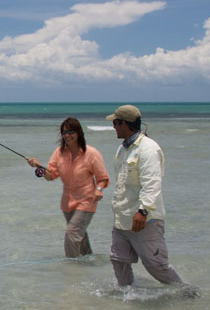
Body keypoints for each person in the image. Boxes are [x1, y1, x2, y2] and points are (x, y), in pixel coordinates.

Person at [105, 105, 184, 286]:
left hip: (144, 220)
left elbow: (152, 183)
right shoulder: (122, 149)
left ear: (124, 123)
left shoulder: (149, 148)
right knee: (119, 260)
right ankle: (127, 296)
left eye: (116, 123)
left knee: (156, 266)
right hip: (122, 218)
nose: (113, 127)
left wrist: (143, 211)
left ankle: (187, 293)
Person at [26, 118, 109, 259]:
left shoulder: (91, 153)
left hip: (87, 201)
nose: (67, 135)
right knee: (79, 236)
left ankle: (71, 270)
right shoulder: (59, 152)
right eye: (64, 132)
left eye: (71, 131)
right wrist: (38, 166)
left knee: (72, 234)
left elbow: (103, 178)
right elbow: (51, 175)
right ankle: (90, 263)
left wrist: (98, 189)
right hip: (67, 203)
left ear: (79, 133)